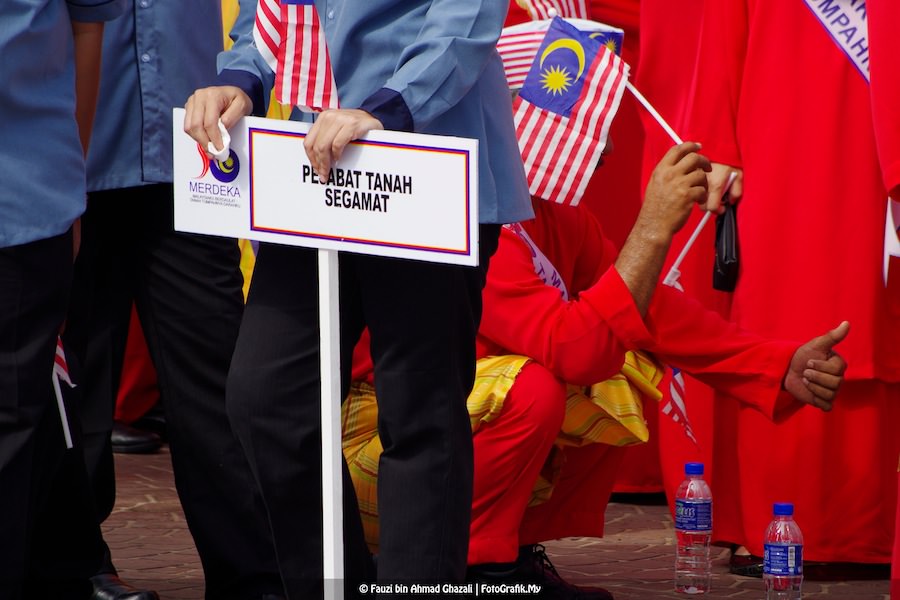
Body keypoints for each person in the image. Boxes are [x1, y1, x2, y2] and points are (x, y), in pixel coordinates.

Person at [339, 139, 849, 600]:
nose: (605, 150)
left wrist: (776, 363)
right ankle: (468, 572)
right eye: (591, 130)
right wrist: (653, 227)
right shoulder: (470, 212)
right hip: (376, 449)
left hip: (436, 428)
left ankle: (511, 554)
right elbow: (576, 349)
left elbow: (648, 313)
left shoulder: (553, 213)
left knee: (618, 369)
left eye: (604, 131)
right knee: (536, 387)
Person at [183, 1, 534, 597]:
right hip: (313, 161)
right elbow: (268, 16)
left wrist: (389, 107)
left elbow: (466, 18)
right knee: (266, 396)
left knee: (419, 410)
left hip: (427, 152)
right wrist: (240, 78)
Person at [64, 2, 283, 598]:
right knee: (72, 382)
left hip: (193, 155)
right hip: (72, 160)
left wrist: (243, 73)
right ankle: (73, 567)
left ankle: (254, 575)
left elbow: (266, 11)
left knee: (217, 375)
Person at [686, 0, 900, 573]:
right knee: (782, 303)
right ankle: (783, 516)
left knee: (872, 307)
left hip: (873, 131)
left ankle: (866, 528)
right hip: (776, 131)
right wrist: (717, 146)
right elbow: (722, 27)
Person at [0, 0, 124, 597]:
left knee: (15, 416)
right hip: (32, 192)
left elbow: (87, 30)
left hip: (25, 195)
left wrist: (69, 181)